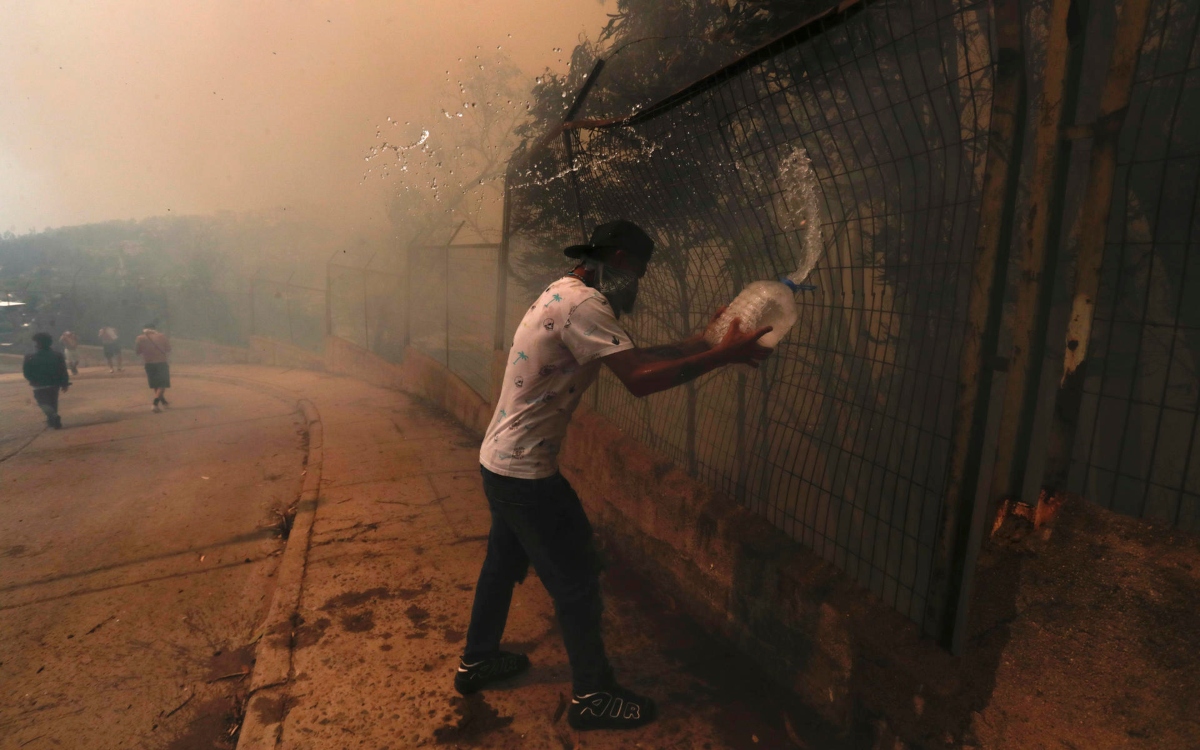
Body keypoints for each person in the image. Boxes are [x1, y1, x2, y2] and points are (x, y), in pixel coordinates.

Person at [455, 220, 772, 731]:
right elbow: (641, 380)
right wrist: (723, 357)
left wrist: (704, 341)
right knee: (576, 578)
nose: (638, 286)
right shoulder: (585, 306)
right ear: (622, 262)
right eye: (640, 273)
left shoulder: (565, 292)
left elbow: (636, 357)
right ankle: (593, 696)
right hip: (526, 474)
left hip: (502, 462)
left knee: (502, 564)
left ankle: (478, 659)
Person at [23, 332, 70, 429]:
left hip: (39, 385)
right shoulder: (57, 355)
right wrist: (65, 383)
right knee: (53, 402)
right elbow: (63, 370)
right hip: (54, 384)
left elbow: (26, 372)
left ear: (38, 343)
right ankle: (53, 421)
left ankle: (53, 417)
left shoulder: (30, 357)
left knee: (43, 403)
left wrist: (32, 379)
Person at [135, 323, 172, 412]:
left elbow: (138, 351)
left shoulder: (140, 338)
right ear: (154, 328)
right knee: (162, 384)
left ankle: (163, 402)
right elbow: (168, 349)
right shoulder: (162, 336)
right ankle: (155, 404)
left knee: (155, 384)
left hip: (149, 363)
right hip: (161, 362)